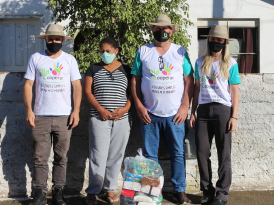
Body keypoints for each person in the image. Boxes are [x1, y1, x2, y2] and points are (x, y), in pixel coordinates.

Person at [131, 14, 194, 204]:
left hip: (175, 114)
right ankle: (151, 191)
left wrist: (185, 106)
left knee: (177, 152)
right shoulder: (143, 51)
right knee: (150, 155)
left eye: (166, 28)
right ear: (152, 30)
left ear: (172, 30)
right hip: (149, 113)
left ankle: (179, 190)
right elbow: (135, 79)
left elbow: (189, 80)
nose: (162, 31)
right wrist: (139, 105)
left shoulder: (180, 52)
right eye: (158, 28)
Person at [24, 24, 82, 205]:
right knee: (40, 158)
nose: (54, 42)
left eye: (57, 39)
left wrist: (76, 111)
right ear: (46, 39)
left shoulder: (70, 60)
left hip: (64, 117)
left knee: (61, 157)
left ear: (63, 40)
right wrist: (29, 111)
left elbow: (77, 86)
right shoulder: (36, 58)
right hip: (40, 116)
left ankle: (58, 192)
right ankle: (39, 193)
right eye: (51, 39)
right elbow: (27, 85)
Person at [189, 25, 241, 205]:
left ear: (225, 43)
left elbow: (234, 91)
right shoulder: (199, 62)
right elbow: (196, 89)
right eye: (214, 39)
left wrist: (234, 116)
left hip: (223, 111)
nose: (216, 43)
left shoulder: (231, 64)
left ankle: (222, 194)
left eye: (220, 40)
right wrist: (192, 112)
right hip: (203, 111)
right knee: (202, 152)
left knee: (223, 153)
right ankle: (207, 190)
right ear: (208, 40)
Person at [84, 37, 132, 205]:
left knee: (116, 156)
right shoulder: (94, 68)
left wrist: (125, 109)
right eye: (102, 51)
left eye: (108, 51)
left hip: (122, 120)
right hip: (99, 119)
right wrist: (100, 110)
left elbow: (133, 93)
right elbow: (88, 92)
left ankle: (110, 190)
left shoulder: (127, 70)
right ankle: (92, 191)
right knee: (98, 155)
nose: (104, 54)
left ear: (116, 51)